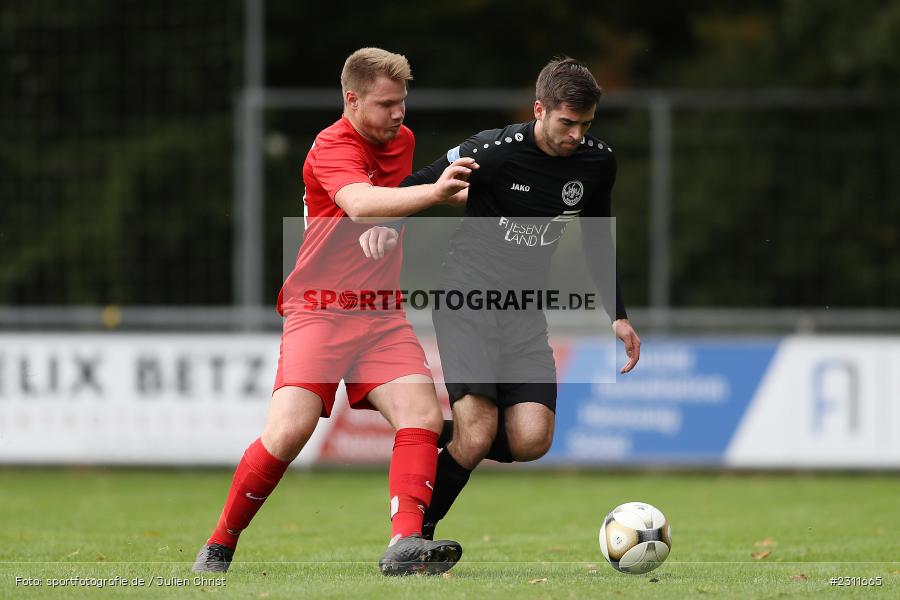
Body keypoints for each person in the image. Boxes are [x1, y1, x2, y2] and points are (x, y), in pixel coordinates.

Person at [192, 47, 477, 576]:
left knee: (419, 412)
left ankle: (405, 544)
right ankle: (219, 543)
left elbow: (383, 208)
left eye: (403, 103)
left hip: (381, 313)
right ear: (352, 99)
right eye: (387, 104)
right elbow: (362, 202)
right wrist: (431, 196)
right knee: (288, 432)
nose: (400, 115)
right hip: (319, 310)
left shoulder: (403, 141)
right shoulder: (330, 145)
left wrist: (387, 226)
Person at [359, 57, 641, 542]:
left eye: (585, 124)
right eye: (566, 123)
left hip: (523, 313)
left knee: (533, 439)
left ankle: (427, 437)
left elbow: (597, 240)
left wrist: (617, 315)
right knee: (475, 433)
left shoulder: (597, 162)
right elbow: (420, 182)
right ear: (539, 110)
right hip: (465, 301)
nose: (576, 135)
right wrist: (389, 223)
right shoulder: (491, 151)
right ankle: (411, 539)